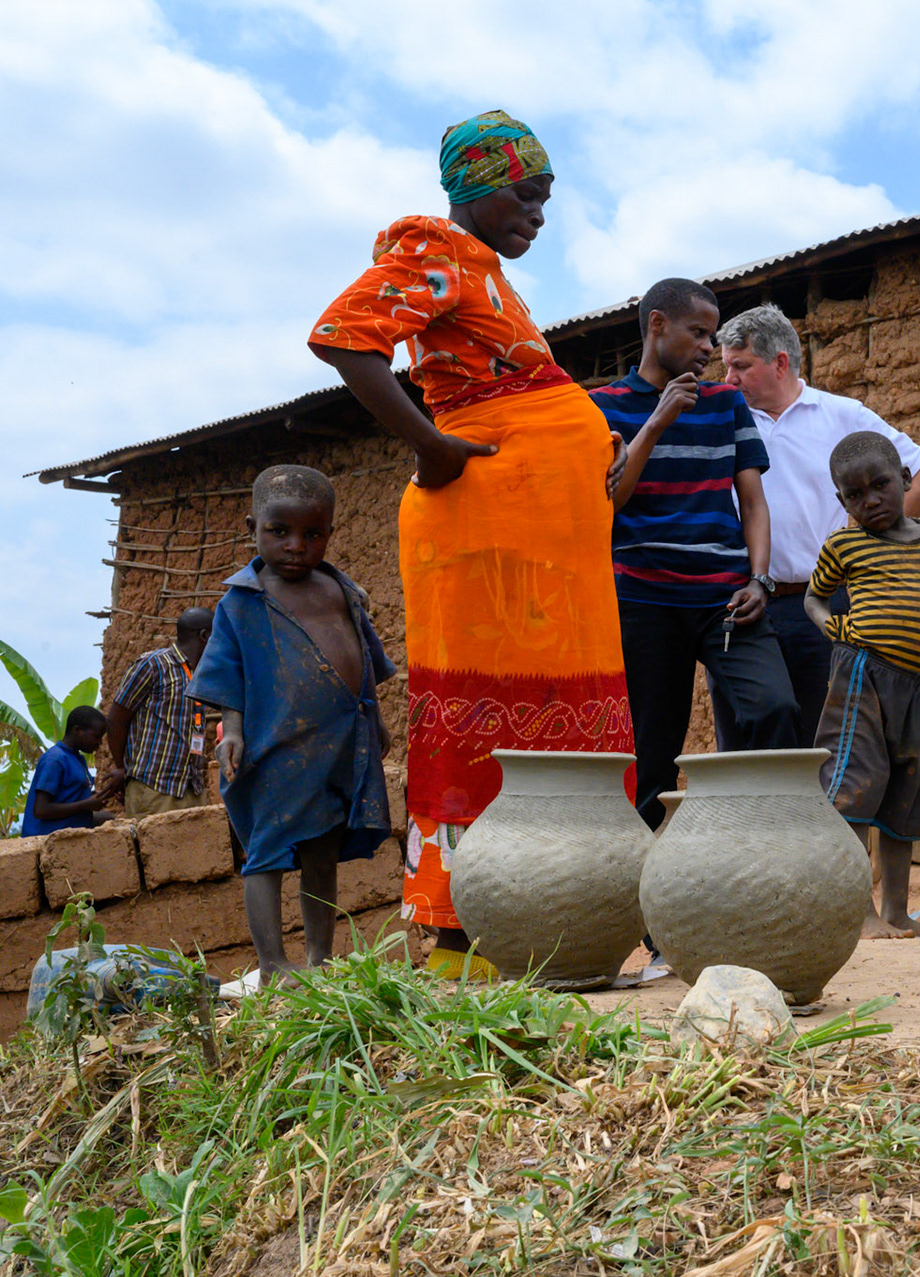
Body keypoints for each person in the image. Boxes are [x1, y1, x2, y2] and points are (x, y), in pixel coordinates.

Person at [309, 110, 632, 979]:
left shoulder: (490, 275)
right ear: (479, 188)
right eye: (526, 194)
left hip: (545, 547)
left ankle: (548, 920)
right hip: (487, 529)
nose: (538, 211)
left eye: (546, 197)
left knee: (556, 716)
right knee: (489, 713)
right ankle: (467, 936)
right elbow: (344, 336)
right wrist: (431, 446)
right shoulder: (440, 251)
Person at [595, 279, 800, 829]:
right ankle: (639, 892)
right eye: (699, 332)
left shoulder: (726, 405)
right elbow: (611, 500)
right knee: (650, 757)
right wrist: (658, 419)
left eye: (713, 335)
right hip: (642, 600)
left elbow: (753, 504)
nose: (710, 348)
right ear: (657, 325)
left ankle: (758, 842)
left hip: (724, 599)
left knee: (774, 708)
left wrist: (759, 580)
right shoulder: (603, 407)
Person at [188, 466, 393, 983]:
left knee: (324, 851)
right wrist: (231, 731)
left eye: (313, 533)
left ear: (330, 532)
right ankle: (273, 964)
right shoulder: (244, 601)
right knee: (267, 853)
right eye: (280, 532)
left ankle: (319, 961)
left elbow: (364, 660)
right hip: (275, 747)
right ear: (253, 526)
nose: (296, 546)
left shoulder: (341, 591)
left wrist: (378, 722)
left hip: (339, 744)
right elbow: (227, 673)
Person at [715, 304, 920, 744]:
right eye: (725, 367)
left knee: (826, 739)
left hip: (824, 604)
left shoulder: (841, 415)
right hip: (745, 605)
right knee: (745, 742)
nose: (728, 380)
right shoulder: (724, 421)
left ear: (779, 363)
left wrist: (875, 543)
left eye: (740, 366)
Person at [806, 431, 920, 938]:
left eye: (881, 485)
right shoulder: (845, 545)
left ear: (908, 479)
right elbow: (814, 599)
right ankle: (860, 912)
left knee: (907, 800)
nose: (870, 500)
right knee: (853, 789)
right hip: (863, 679)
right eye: (855, 495)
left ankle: (895, 911)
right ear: (842, 501)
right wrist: (841, 632)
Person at [97, 609, 214, 817]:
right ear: (205, 636)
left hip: (190, 789)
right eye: (218, 635)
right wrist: (123, 768)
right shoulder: (154, 665)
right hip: (154, 788)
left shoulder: (199, 675)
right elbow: (116, 720)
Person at [21, 707, 110, 837]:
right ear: (77, 730)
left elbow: (67, 796)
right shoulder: (55, 759)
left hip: (69, 827)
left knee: (109, 819)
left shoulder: (77, 759)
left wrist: (97, 797)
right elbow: (41, 810)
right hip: (47, 837)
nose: (99, 743)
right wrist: (85, 804)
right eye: (96, 737)